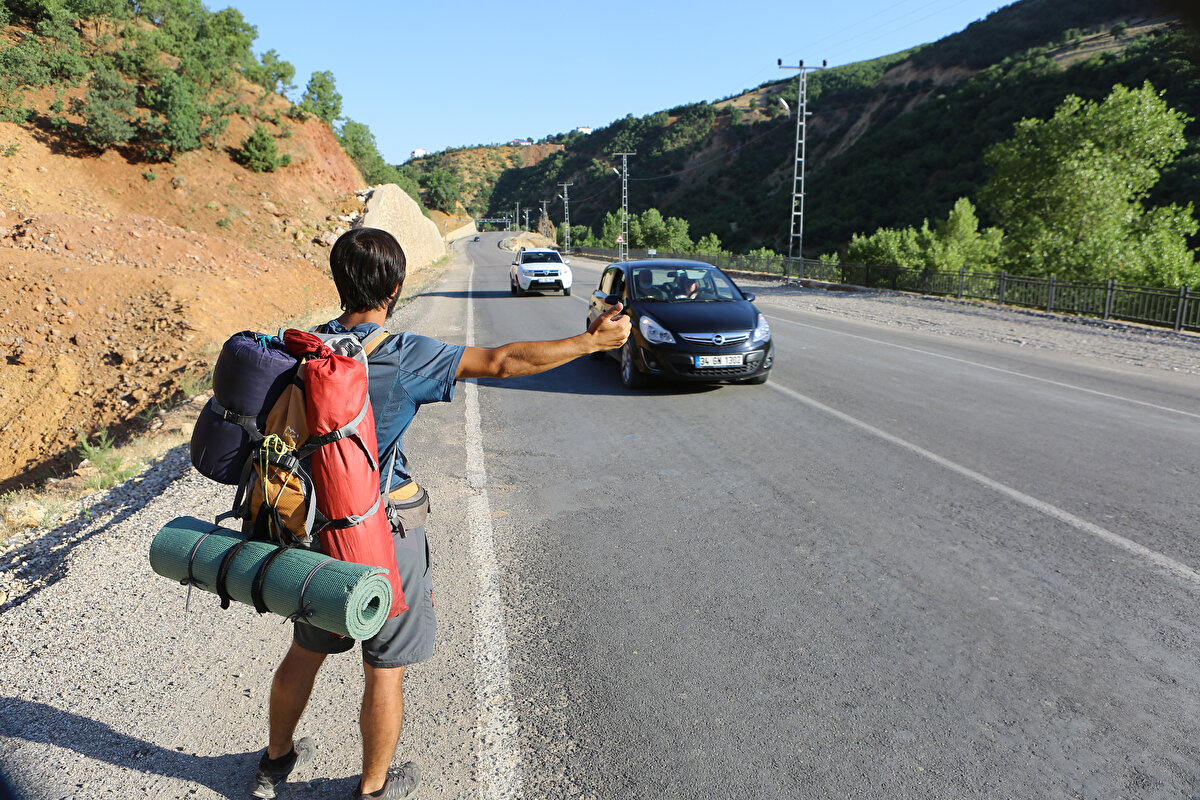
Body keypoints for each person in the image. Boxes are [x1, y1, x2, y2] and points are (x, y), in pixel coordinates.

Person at [251, 227, 630, 800]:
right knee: (384, 666)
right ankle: (374, 787)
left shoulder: (299, 349)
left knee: (307, 649)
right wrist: (588, 343)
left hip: (313, 530)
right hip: (383, 531)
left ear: (339, 283)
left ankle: (275, 760)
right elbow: (502, 362)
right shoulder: (405, 356)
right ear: (396, 288)